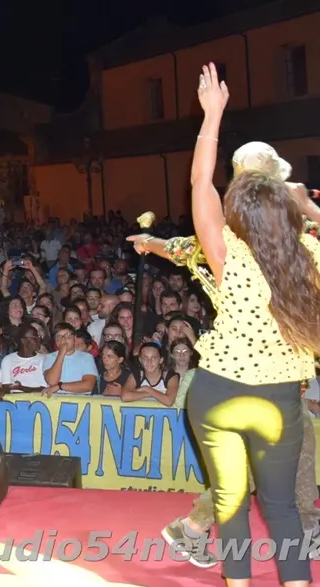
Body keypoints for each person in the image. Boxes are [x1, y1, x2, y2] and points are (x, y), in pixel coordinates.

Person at [137, 63, 320, 587]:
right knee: (282, 509)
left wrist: (212, 115)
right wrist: (311, 209)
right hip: (279, 398)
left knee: (233, 503)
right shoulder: (309, 255)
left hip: (217, 391)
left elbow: (200, 183)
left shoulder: (226, 254)